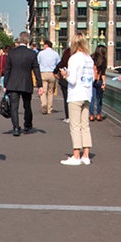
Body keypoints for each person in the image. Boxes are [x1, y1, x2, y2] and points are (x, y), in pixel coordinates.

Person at [61, 34, 96, 167]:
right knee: (85, 125)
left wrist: (65, 75)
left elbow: (72, 80)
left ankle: (76, 155)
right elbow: (92, 78)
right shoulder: (89, 59)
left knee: (75, 126)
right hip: (87, 93)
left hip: (76, 94)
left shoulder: (74, 58)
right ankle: (86, 155)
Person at [1, 31, 40, 135]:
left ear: (19, 40)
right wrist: (39, 84)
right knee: (27, 105)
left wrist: (5, 84)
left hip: (13, 83)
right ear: (28, 41)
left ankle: (16, 127)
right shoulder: (31, 53)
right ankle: (27, 125)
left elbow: (7, 69)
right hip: (26, 82)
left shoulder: (12, 53)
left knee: (14, 106)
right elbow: (36, 69)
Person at [36, 38, 62, 116]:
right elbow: (59, 63)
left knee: (43, 90)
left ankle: (44, 104)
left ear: (46, 45)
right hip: (52, 73)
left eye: (44, 45)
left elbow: (37, 63)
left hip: (43, 72)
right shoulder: (55, 54)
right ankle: (49, 108)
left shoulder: (41, 53)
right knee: (50, 91)